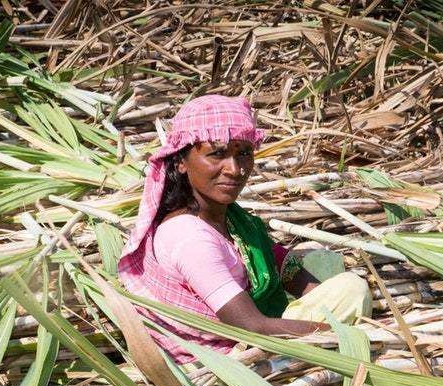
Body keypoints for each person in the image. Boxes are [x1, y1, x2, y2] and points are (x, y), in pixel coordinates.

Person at [118, 95, 372, 362]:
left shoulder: (231, 219)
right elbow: (251, 328)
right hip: (233, 358)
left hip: (251, 334)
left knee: (322, 259)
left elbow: (281, 263)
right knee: (352, 288)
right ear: (181, 161)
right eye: (217, 153)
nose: (235, 169)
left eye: (244, 154)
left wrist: (320, 298)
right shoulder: (189, 237)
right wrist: (344, 334)